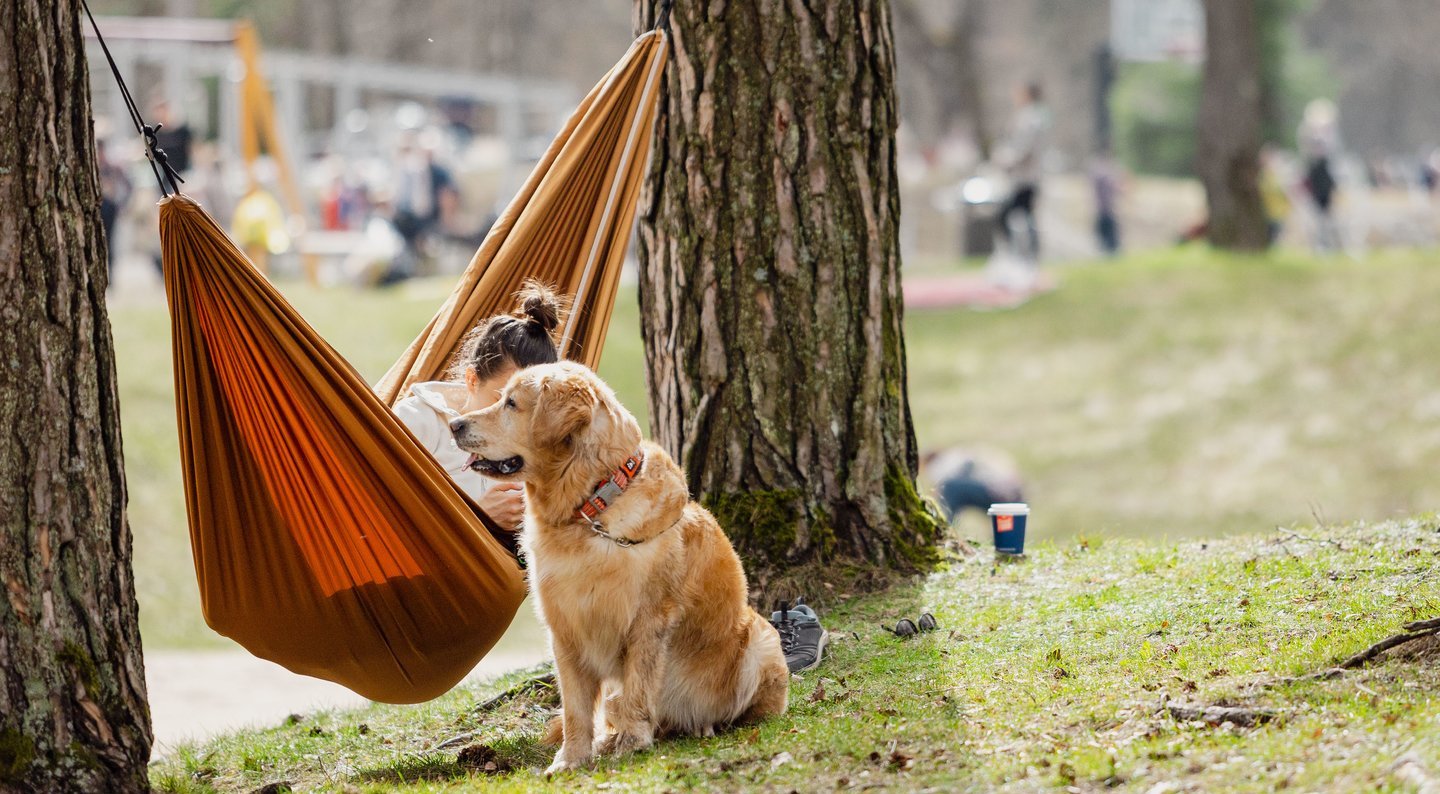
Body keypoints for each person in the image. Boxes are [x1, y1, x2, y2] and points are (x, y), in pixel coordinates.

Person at [391, 282, 563, 531]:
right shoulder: (417, 421)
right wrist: (479, 515)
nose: (515, 424)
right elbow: (385, 519)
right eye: (503, 401)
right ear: (472, 380)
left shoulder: (541, 438)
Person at [995, 81, 1051, 263]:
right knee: (1023, 216)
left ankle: (1020, 257)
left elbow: (1024, 148)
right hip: (1026, 176)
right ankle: (1026, 257)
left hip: (1025, 177)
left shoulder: (1031, 118)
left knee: (1010, 216)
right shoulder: (1033, 116)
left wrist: (1007, 161)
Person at [97, 138, 132, 282]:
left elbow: (128, 186)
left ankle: (109, 276)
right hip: (98, 209)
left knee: (109, 242)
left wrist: (121, 204)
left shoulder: (112, 168)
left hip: (110, 208)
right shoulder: (95, 167)